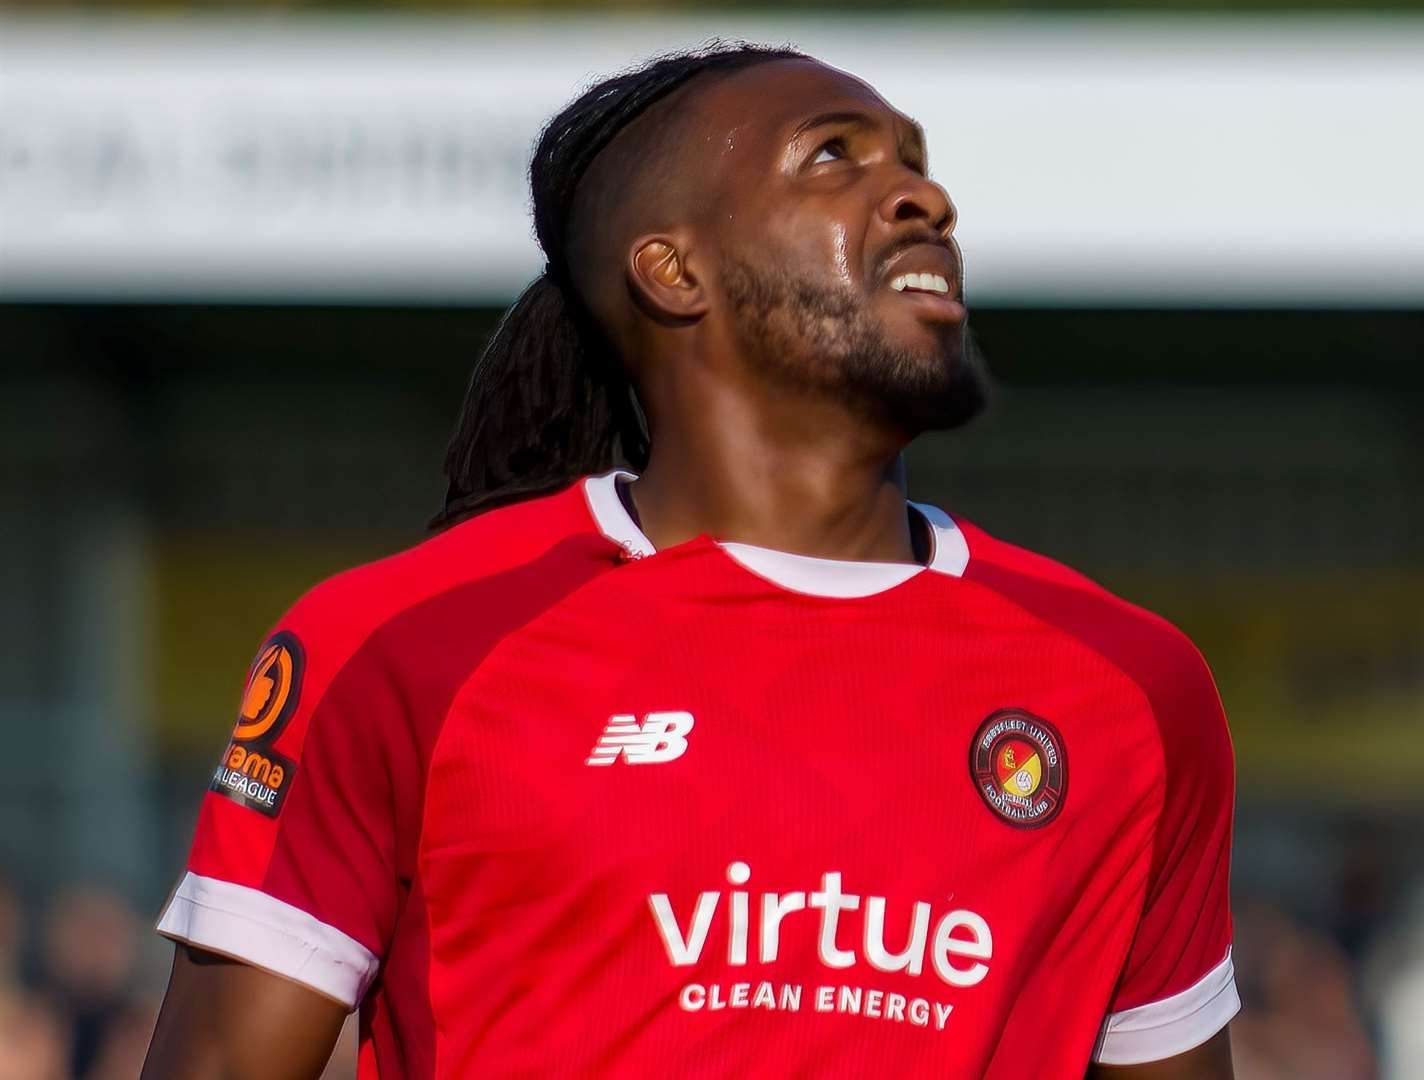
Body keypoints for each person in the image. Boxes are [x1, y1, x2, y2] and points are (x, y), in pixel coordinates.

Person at [141, 42, 1238, 1079]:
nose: (923, 198)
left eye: (916, 163)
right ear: (673, 270)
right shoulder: (400, 643)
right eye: (832, 157)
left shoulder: (1134, 688)